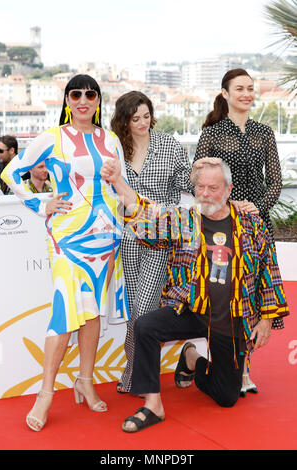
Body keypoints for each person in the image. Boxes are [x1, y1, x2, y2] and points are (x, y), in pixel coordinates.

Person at [100, 156, 289, 433]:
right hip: (190, 309)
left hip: (232, 316)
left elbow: (269, 270)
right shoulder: (185, 219)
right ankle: (153, 405)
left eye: (213, 188)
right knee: (145, 326)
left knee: (227, 397)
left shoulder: (251, 224)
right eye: (200, 187)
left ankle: (191, 359)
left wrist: (266, 320)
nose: (204, 194)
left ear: (228, 189)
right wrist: (118, 181)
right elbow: (147, 218)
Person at [1, 74, 130, 431]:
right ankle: (46, 395)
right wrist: (41, 204)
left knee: (92, 314)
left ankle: (85, 381)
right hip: (68, 239)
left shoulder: (111, 139)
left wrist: (120, 190)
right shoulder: (52, 138)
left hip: (108, 236)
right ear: (68, 100)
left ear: (99, 99)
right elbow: (12, 173)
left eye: (91, 94)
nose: (83, 100)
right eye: (76, 94)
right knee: (63, 316)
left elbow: (122, 185)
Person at [191, 68, 283, 396]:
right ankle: (223, 365)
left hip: (256, 223)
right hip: (220, 226)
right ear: (225, 93)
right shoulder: (212, 133)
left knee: (253, 293)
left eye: (251, 88)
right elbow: (199, 182)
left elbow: (275, 181)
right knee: (225, 294)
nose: (247, 94)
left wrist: (257, 206)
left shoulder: (264, 132)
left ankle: (245, 368)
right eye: (240, 89)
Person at [110, 91, 194, 393]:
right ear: (124, 120)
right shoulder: (116, 148)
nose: (143, 122)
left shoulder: (169, 145)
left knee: (145, 308)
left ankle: (134, 375)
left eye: (146, 116)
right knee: (135, 310)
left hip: (161, 236)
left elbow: (188, 182)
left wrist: (214, 181)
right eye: (136, 118)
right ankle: (136, 370)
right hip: (129, 236)